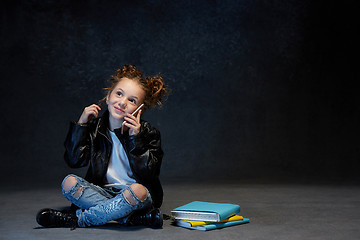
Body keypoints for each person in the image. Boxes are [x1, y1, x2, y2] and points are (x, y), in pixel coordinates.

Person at [36, 64, 168, 229]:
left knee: (137, 190)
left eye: (132, 100)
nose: (122, 102)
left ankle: (77, 220)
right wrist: (81, 126)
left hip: (135, 195)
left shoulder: (149, 133)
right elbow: (74, 161)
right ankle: (131, 218)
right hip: (101, 192)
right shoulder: (94, 128)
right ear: (108, 96)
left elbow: (149, 174)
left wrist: (136, 138)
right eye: (119, 94)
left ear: (140, 109)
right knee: (69, 182)